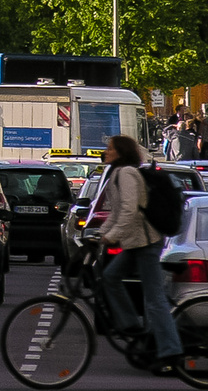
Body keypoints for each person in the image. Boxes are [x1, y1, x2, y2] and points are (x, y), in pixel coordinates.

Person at [97, 134, 183, 374]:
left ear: (121, 153)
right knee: (110, 277)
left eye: (111, 148)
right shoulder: (116, 174)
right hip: (134, 242)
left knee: (154, 300)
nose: (106, 151)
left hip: (146, 242)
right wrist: (98, 233)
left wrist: (111, 236)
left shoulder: (126, 174)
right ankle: (133, 328)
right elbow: (115, 213)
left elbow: (129, 210)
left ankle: (171, 353)